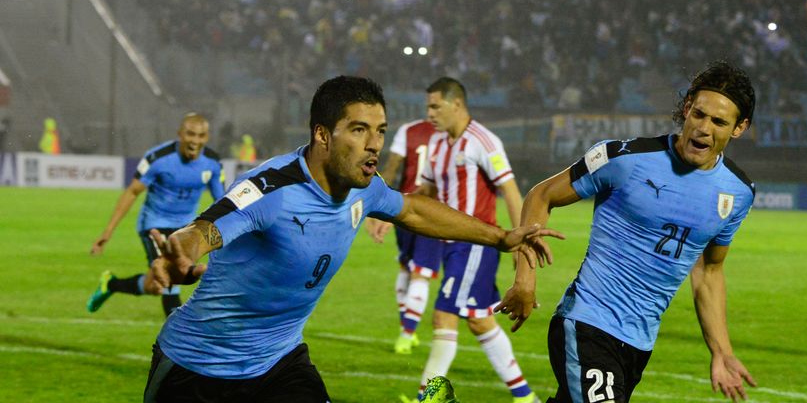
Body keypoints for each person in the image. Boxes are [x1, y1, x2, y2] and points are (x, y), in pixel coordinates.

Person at [140, 76, 562, 403]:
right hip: (197, 370)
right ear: (323, 134)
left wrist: (502, 237)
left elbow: (412, 208)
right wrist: (181, 251)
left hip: (278, 364)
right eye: (359, 130)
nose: (374, 144)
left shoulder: (365, 187)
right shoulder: (272, 188)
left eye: (379, 131)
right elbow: (207, 228)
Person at [495, 61, 758, 403]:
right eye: (699, 115)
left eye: (719, 122)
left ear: (740, 128)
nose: (703, 129)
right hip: (587, 323)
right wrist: (525, 279)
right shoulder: (625, 159)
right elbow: (541, 196)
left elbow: (709, 271)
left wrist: (721, 351)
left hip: (638, 343)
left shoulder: (737, 193)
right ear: (686, 108)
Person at [404, 77, 542, 403]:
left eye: (435, 106)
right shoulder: (437, 145)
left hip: (476, 244)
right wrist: (392, 210)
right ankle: (526, 398)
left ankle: (426, 397)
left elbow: (510, 191)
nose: (430, 113)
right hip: (449, 244)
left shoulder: (483, 140)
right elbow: (425, 192)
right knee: (480, 322)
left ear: (457, 104)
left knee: (444, 316)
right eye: (427, 107)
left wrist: (518, 242)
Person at [87, 112, 224, 317]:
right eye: (190, 135)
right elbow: (132, 191)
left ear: (207, 138)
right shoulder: (158, 158)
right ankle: (179, 342)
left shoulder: (212, 162)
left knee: (154, 285)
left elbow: (222, 201)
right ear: (180, 134)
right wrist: (108, 231)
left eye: (200, 136)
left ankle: (111, 284)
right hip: (154, 225)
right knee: (171, 278)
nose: (195, 141)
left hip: (185, 229)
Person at [367, 118, 443, 355]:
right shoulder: (451, 135)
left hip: (404, 206)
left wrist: (381, 206)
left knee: (405, 268)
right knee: (420, 274)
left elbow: (390, 169)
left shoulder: (408, 130)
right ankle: (407, 335)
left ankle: (407, 330)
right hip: (435, 210)